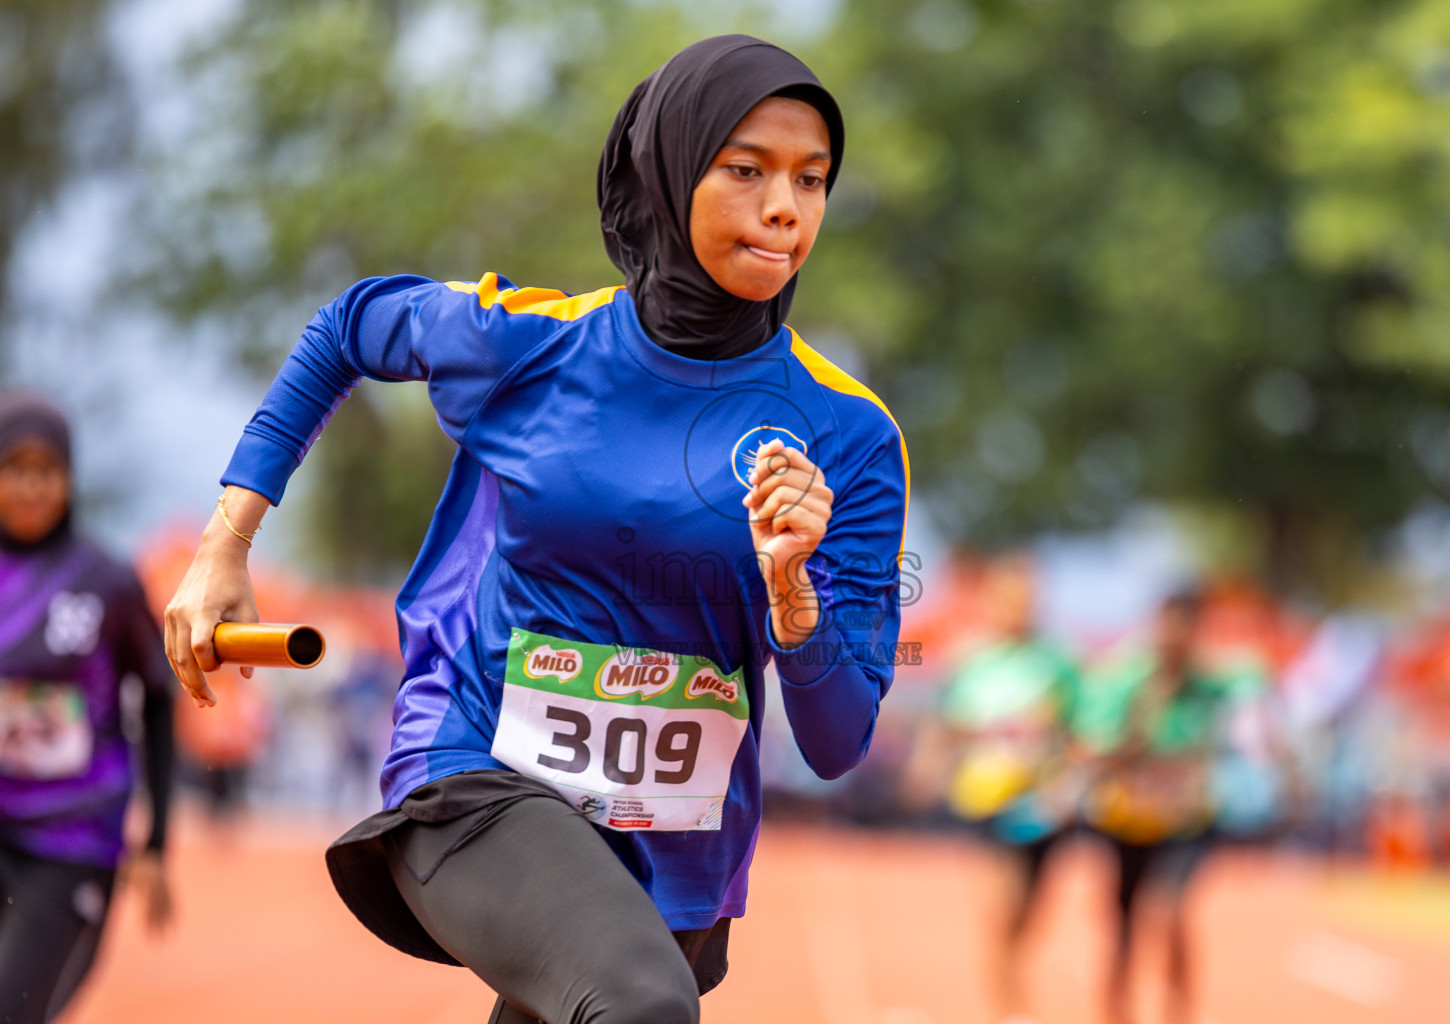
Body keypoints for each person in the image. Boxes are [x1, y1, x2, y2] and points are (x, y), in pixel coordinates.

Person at [163, 35, 907, 1024]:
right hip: (476, 771)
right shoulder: (535, 343)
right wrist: (227, 543)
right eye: (746, 170)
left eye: (812, 181)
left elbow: (838, 740)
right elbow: (346, 326)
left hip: (674, 854)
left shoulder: (848, 435)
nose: (785, 207)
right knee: (641, 1007)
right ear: (670, 171)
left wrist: (790, 591)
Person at [0, 393, 176, 1023]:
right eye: (13, 469)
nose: (29, 486)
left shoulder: (106, 581)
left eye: (45, 471)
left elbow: (158, 702)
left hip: (72, 840)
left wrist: (155, 845)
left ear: (68, 479)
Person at [1077, 588, 1244, 1024]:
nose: (1175, 637)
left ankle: (1179, 1012)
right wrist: (1135, 733)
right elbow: (1095, 747)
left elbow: (1243, 717)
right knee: (1123, 926)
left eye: (1187, 628)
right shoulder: (1127, 681)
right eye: (1169, 626)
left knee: (1169, 911)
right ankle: (1116, 1013)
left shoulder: (1211, 688)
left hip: (1185, 823)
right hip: (1128, 819)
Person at [940, 553, 1081, 1024]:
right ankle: (1010, 1009)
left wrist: (1064, 784)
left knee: (1032, 911)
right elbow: (952, 726)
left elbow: (1074, 733)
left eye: (1027, 599)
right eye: (1009, 598)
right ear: (992, 602)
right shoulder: (972, 659)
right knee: (1007, 901)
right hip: (987, 801)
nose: (1019, 607)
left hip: (1042, 806)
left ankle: (1011, 976)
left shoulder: (1058, 662)